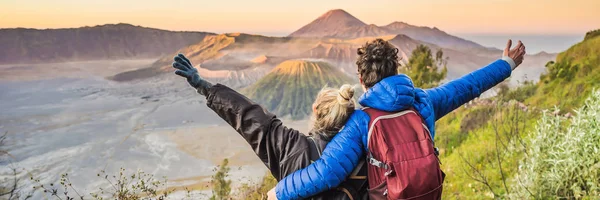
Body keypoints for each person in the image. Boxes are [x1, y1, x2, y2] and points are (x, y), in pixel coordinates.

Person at [273, 39, 526, 199]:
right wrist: (506, 64)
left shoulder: (363, 121)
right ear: (396, 71)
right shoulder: (422, 101)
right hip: (428, 192)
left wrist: (278, 193)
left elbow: (327, 172)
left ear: (362, 80)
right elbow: (468, 87)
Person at [171, 54, 369, 199]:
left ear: (315, 110)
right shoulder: (365, 153)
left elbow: (248, 115)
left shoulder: (290, 147)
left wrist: (203, 86)